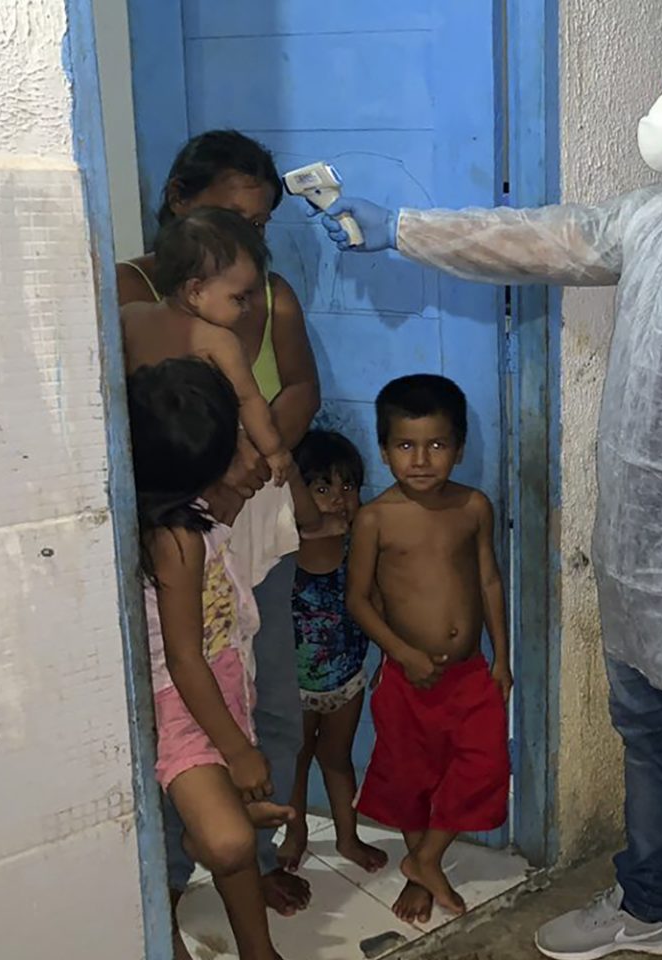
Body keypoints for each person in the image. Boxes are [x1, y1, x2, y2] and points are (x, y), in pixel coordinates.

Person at [315, 11, 662, 960]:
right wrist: (402, 229)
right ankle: (649, 906)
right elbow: (544, 239)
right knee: (647, 744)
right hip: (640, 566)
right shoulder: (660, 219)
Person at [119, 130, 322, 921]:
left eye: (262, 224)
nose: (250, 239)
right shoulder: (125, 294)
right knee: (170, 700)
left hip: (251, 512)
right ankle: (167, 867)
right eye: (230, 216)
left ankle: (254, 850)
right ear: (179, 203)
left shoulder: (264, 295)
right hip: (174, 517)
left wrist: (259, 460)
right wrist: (212, 462)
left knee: (260, 686)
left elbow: (300, 387)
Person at [129, 357, 296, 960]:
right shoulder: (175, 540)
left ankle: (259, 951)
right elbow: (183, 660)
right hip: (187, 706)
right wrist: (238, 750)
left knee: (231, 848)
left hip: (221, 686)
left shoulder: (188, 517)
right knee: (227, 847)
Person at [345, 375, 511, 924]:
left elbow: (489, 581)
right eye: (405, 446)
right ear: (385, 449)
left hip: (469, 674)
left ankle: (424, 860)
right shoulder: (375, 519)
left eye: (437, 445)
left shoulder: (473, 507)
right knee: (410, 774)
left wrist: (502, 658)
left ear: (459, 448)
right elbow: (359, 600)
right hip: (406, 675)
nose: (421, 460)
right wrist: (401, 652)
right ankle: (421, 863)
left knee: (484, 765)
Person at [276, 430, 388, 874]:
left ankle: (347, 837)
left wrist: (390, 657)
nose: (338, 498)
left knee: (337, 760)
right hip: (292, 687)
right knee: (296, 760)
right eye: (321, 488)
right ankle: (296, 832)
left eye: (348, 487)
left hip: (348, 681)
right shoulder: (284, 550)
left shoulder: (356, 550)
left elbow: (376, 604)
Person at [122, 208, 294, 485]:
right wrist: (275, 450)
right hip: (202, 458)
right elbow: (249, 400)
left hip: (146, 454)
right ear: (196, 291)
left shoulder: (130, 316)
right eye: (239, 298)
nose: (247, 308)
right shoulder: (219, 341)